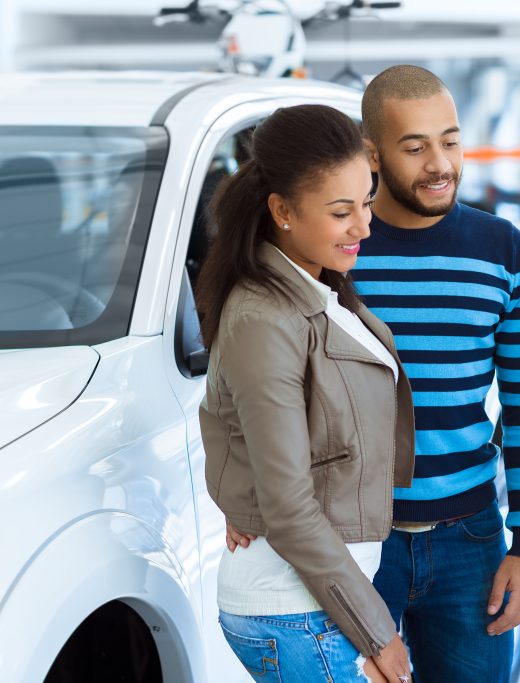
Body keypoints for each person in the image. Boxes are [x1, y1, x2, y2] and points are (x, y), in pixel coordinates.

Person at [195, 104, 416, 683]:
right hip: (297, 611)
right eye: (341, 211)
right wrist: (378, 632)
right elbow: (288, 507)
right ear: (282, 212)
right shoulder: (265, 318)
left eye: (366, 202)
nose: (364, 226)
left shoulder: (317, 287)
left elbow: (232, 422)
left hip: (320, 601)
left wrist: (237, 493)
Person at [355, 65, 520, 682]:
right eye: (415, 147)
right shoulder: (337, 252)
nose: (440, 163)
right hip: (357, 543)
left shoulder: (506, 252)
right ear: (373, 154)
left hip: (471, 540)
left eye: (450, 140)